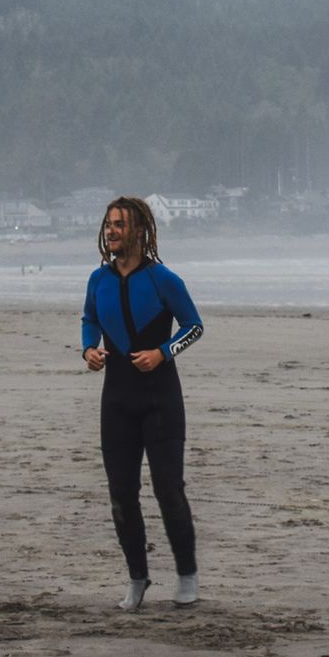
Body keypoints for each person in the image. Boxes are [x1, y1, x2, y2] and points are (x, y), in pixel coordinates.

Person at [81, 197, 204, 610]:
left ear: (139, 230)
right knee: (121, 495)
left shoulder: (163, 279)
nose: (112, 230)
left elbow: (194, 327)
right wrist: (88, 351)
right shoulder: (98, 279)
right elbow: (89, 320)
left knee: (169, 490)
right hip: (116, 401)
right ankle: (138, 577)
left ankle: (186, 573)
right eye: (108, 223)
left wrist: (163, 352)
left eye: (120, 224)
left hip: (161, 400)